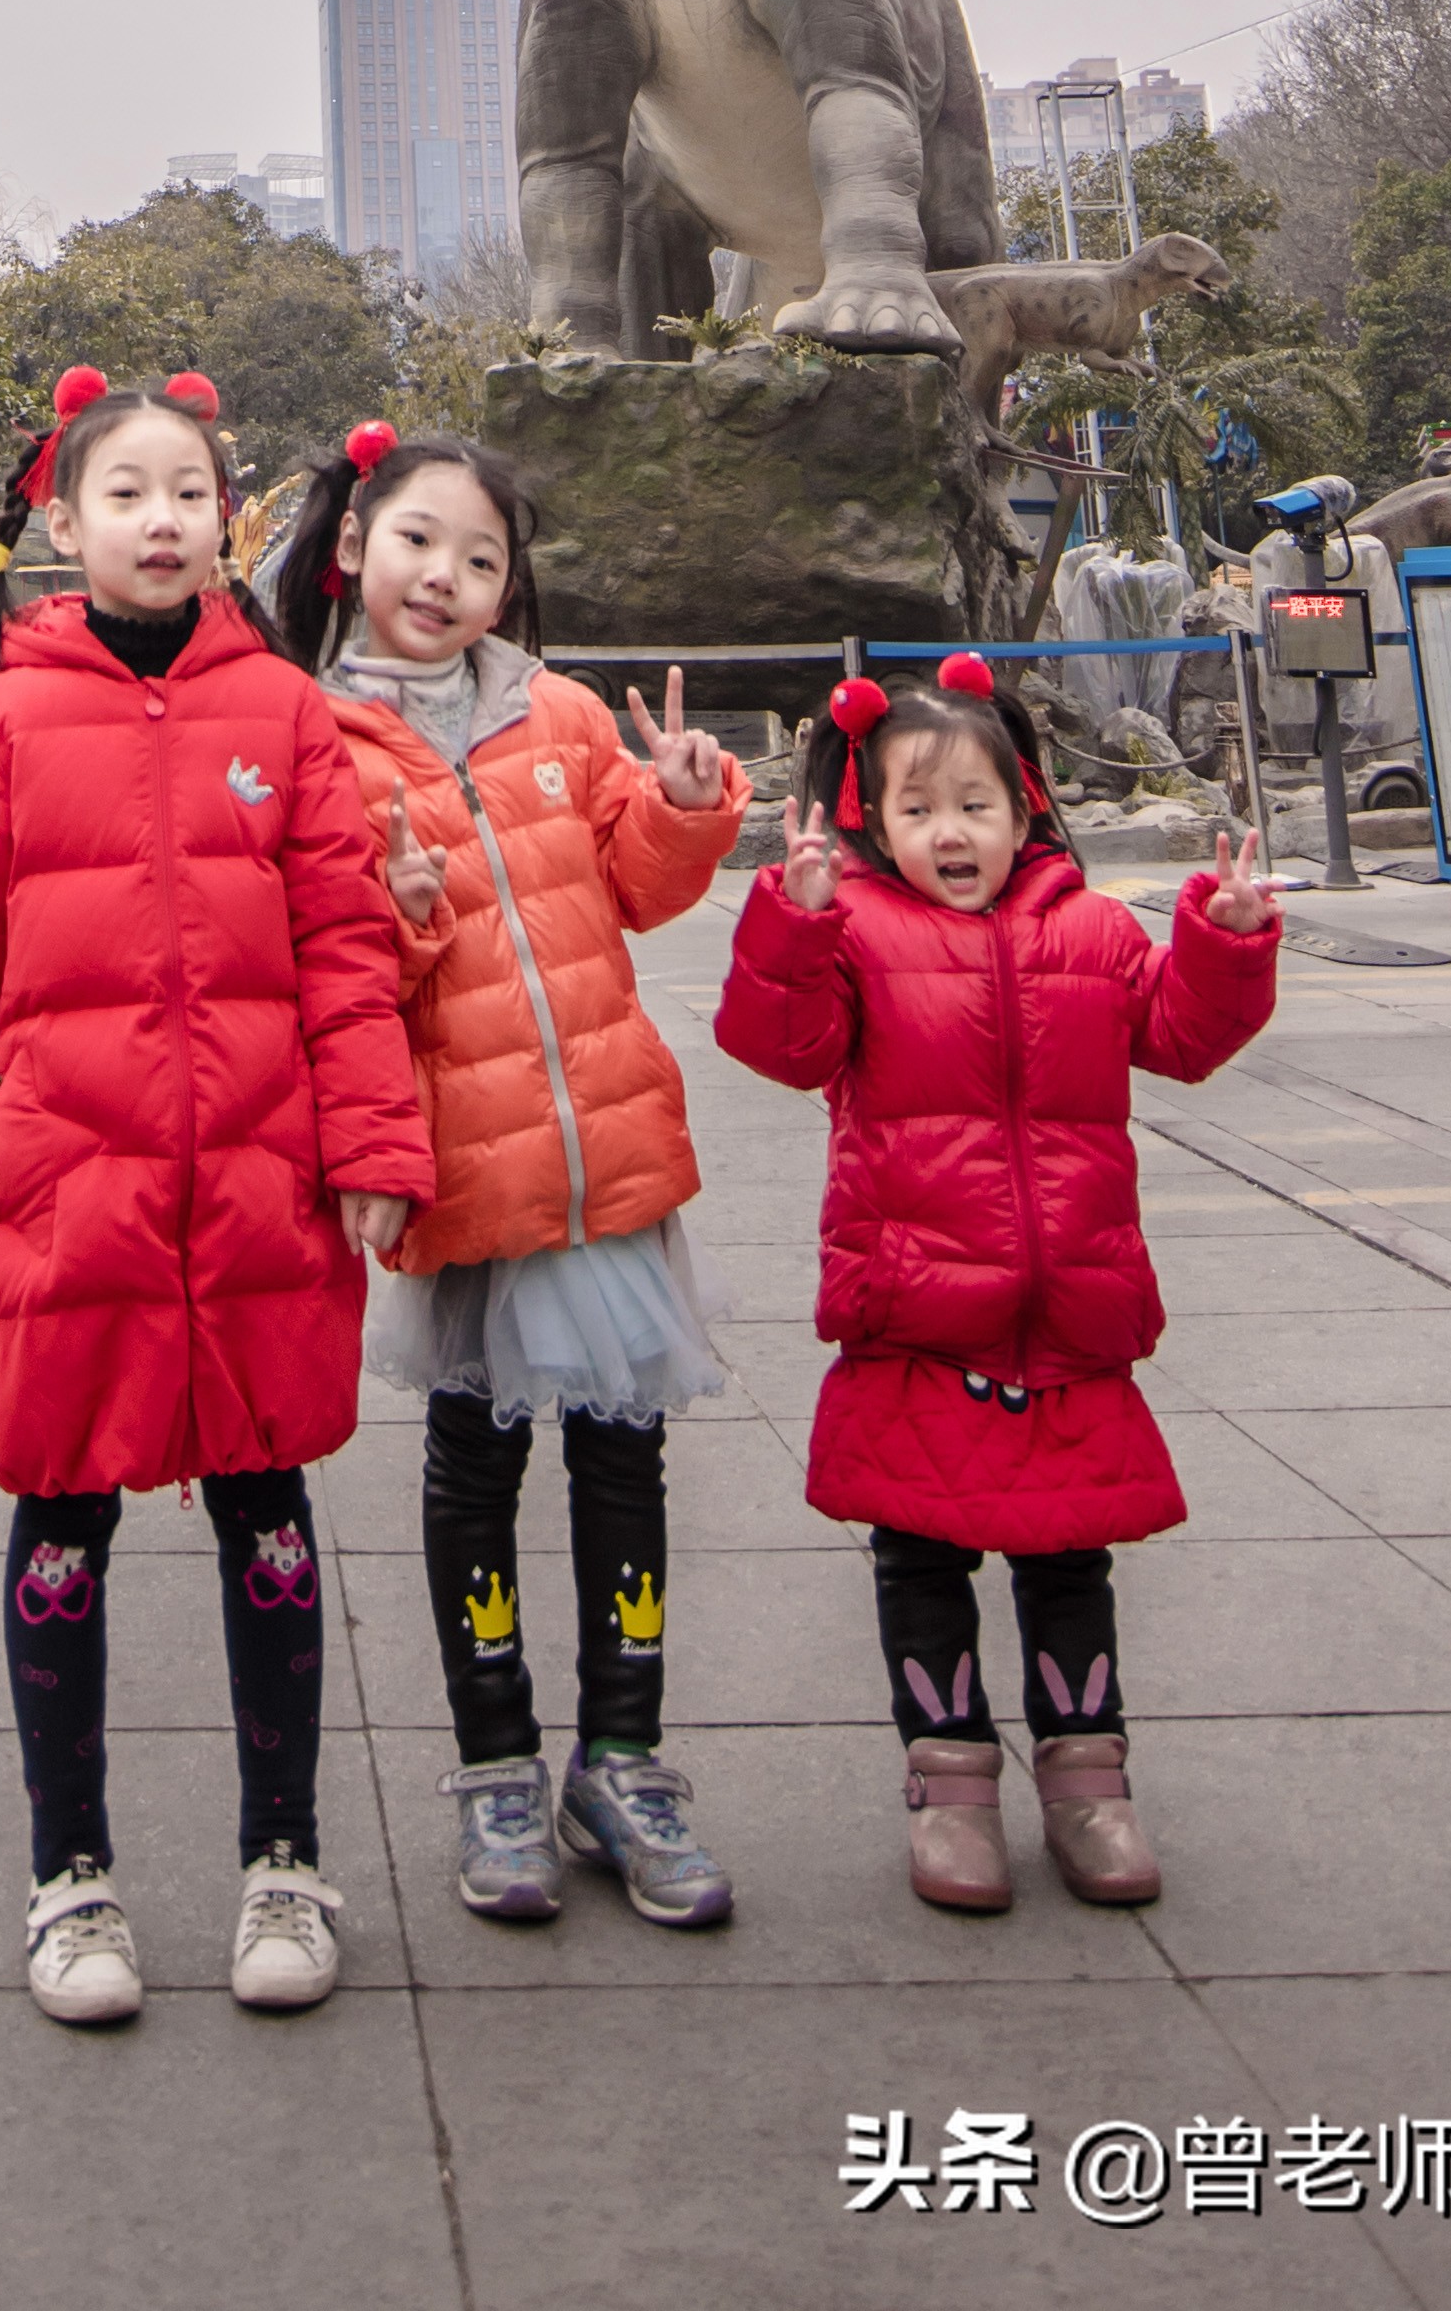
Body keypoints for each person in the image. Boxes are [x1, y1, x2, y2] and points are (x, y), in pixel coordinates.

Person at [0, 363, 430, 2032]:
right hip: (62, 1189)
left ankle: (285, 1859)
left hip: (258, 1181)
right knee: (62, 1513)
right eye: (126, 492)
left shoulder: (281, 715)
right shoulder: (0, 721)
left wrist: (373, 1148)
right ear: (62, 521)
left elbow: (344, 947)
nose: (162, 520)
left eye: (189, 491)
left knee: (269, 1516)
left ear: (228, 516)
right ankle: (74, 1882)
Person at [260, 414, 747, 1930]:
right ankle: (496, 1771)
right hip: (462, 1169)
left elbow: (636, 892)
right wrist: (397, 915)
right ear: (352, 548)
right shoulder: (309, 737)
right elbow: (324, 973)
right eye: (419, 542)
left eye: (483, 558)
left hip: (604, 1157)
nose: (447, 576)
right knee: (474, 1473)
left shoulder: (564, 715)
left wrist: (681, 806)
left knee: (624, 1462)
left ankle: (627, 1757)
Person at [715, 645, 1278, 1917]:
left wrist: (1224, 944)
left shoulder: (1088, 927)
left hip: (1068, 1313)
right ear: (870, 821)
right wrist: (791, 924)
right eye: (912, 809)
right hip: (916, 1311)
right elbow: (780, 1046)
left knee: (1068, 1560)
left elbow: (1179, 1038)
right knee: (919, 1558)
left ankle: (1090, 1785)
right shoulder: (853, 931)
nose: (947, 831)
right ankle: (949, 1782)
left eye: (973, 803)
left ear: (1025, 805)